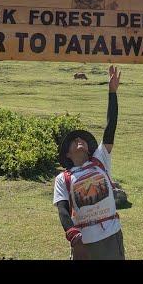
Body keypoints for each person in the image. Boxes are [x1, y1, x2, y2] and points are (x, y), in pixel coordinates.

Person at [53, 65, 124, 260]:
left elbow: (110, 127)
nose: (79, 141)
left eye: (82, 139)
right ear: (67, 154)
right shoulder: (63, 178)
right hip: (84, 241)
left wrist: (112, 93)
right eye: (73, 141)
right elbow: (62, 209)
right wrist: (74, 238)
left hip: (111, 235)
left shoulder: (100, 159)